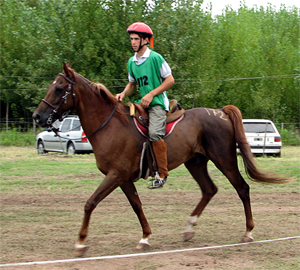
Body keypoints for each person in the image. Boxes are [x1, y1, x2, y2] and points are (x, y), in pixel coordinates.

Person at [116, 22, 175, 189]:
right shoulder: (131, 62)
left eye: (136, 39)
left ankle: (162, 174)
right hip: (142, 104)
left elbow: (170, 80)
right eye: (131, 39)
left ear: (145, 40)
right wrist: (123, 94)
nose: (133, 42)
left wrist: (151, 94)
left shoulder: (155, 58)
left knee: (155, 133)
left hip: (156, 104)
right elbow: (132, 84)